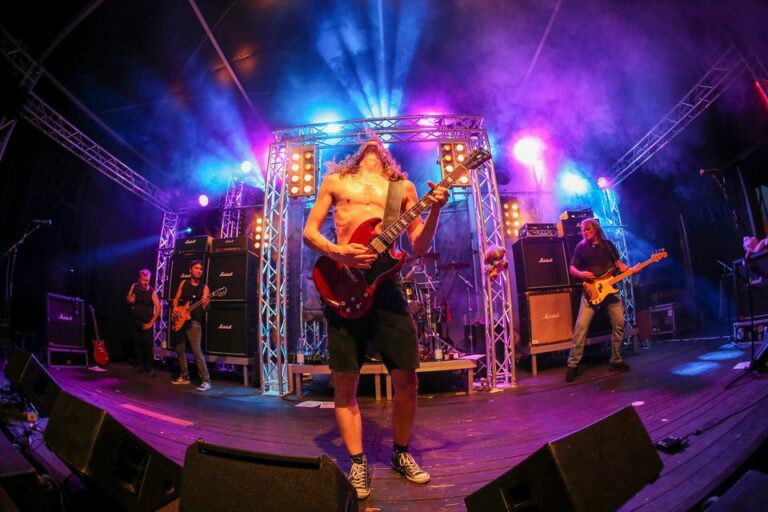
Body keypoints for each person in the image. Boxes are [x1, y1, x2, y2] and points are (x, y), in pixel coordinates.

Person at [303, 137, 449, 500]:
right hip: (343, 285)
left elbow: (418, 246)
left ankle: (401, 453)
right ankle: (357, 462)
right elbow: (309, 233)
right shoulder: (335, 181)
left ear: (387, 153)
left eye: (378, 140)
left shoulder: (403, 187)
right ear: (357, 150)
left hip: (385, 288)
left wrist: (434, 211)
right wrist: (340, 252)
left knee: (407, 377)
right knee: (344, 383)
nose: (372, 138)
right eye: (366, 138)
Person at [565, 218, 631, 382]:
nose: (585, 232)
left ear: (596, 229)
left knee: (619, 323)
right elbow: (572, 268)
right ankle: (572, 365)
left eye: (588, 229)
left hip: (610, 290)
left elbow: (619, 265)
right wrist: (581, 274)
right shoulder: (581, 247)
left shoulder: (608, 245)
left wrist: (629, 270)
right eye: (583, 230)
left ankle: (616, 360)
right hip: (591, 291)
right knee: (581, 327)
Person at [171, 259, 212, 392]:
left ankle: (206, 381)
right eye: (196, 268)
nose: (199, 271)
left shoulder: (204, 288)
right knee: (180, 349)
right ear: (190, 270)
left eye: (201, 269)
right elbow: (176, 299)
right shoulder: (184, 283)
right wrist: (175, 308)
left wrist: (205, 303)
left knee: (196, 351)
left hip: (194, 322)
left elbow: (206, 309)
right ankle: (184, 376)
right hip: (180, 319)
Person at [126, 269, 161, 374]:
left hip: (146, 321)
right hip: (135, 320)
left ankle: (150, 366)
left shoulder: (151, 291)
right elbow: (129, 299)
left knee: (147, 344)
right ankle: (140, 365)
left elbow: (158, 307)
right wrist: (131, 294)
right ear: (139, 279)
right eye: (144, 280)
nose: (146, 282)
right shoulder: (135, 287)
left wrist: (151, 323)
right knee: (137, 343)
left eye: (147, 280)